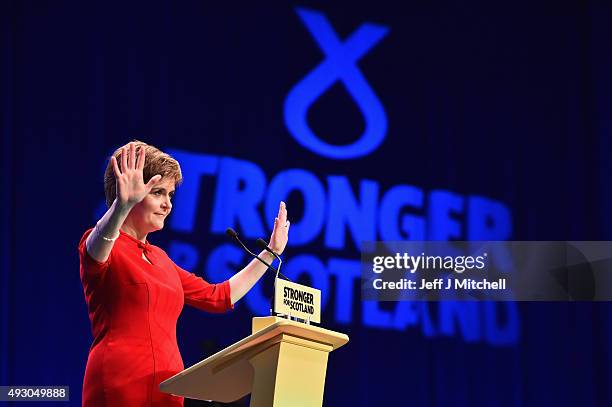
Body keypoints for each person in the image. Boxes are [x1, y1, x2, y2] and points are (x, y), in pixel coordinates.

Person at [78, 141, 289, 406]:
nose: (167, 204)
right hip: (120, 385)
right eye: (157, 193)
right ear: (129, 191)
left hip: (169, 390)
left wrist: (270, 253)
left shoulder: (161, 259)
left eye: (170, 195)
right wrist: (121, 207)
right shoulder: (103, 245)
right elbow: (97, 246)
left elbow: (219, 296)